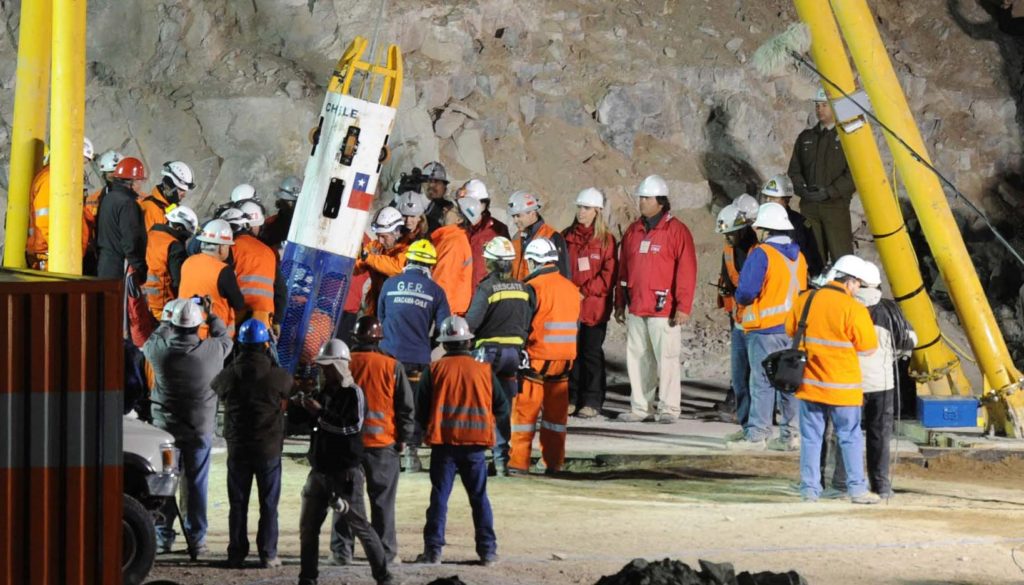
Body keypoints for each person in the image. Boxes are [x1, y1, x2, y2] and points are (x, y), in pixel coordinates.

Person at [295, 339, 395, 585]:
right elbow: (304, 425)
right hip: (319, 471)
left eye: (328, 366)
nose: (324, 371)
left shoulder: (353, 393)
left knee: (360, 526)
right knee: (308, 528)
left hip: (345, 473)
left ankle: (383, 576)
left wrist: (318, 412)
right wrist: (300, 405)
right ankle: (308, 577)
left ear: (340, 366)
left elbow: (350, 426)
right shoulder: (322, 392)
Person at [414, 316, 509, 565]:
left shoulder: (434, 371)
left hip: (443, 446)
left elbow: (421, 409)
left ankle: (433, 551)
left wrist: (425, 429)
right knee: (479, 498)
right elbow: (502, 407)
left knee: (439, 498)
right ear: (468, 342)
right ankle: (487, 551)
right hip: (475, 446)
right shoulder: (484, 371)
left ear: (444, 345)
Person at [786, 254, 879, 504]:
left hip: (809, 385)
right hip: (843, 388)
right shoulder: (854, 309)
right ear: (849, 282)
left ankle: (809, 490)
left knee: (811, 438)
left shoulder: (805, 300)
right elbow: (869, 347)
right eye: (858, 284)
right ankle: (857, 490)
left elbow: (790, 330)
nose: (858, 289)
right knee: (849, 437)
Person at [143, 300, 233, 554]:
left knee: (164, 483)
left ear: (174, 326)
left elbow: (152, 338)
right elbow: (225, 336)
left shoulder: (159, 352)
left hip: (166, 430)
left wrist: (166, 321)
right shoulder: (213, 351)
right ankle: (196, 540)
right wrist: (211, 313)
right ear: (197, 326)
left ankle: (162, 536)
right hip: (199, 430)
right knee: (195, 485)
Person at [331, 316, 415, 565]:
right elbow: (405, 407)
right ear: (379, 339)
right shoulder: (392, 366)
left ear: (355, 338)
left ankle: (342, 552)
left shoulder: (343, 365)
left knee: (346, 500)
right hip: (382, 444)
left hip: (348, 445)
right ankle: (385, 553)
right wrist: (404, 438)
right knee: (382, 503)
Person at [614, 175, 697, 423]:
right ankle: (641, 408)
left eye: (646, 198)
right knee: (638, 358)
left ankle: (669, 409)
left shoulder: (677, 231)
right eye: (641, 197)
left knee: (667, 360)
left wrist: (683, 306)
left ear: (660, 201)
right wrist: (620, 302)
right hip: (637, 307)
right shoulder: (633, 231)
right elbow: (623, 270)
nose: (641, 201)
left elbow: (687, 271)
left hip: (664, 310)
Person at [211, 319, 293, 568]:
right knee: (269, 504)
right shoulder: (277, 375)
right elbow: (289, 388)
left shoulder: (229, 375)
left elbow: (216, 387)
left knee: (238, 504)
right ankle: (268, 553)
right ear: (265, 344)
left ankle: (236, 553)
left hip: (238, 447)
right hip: (268, 447)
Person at [727, 202, 808, 451]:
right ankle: (790, 436)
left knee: (761, 382)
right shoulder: (798, 256)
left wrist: (740, 299)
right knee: (788, 382)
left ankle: (757, 435)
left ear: (765, 229)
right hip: (791, 330)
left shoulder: (762, 253)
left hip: (764, 330)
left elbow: (746, 292)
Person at [377, 239, 451, 473]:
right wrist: (425, 345)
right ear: (431, 266)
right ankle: (410, 454)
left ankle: (388, 452)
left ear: (408, 261)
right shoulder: (436, 291)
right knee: (414, 407)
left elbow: (380, 320)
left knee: (388, 404)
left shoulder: (390, 284)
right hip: (418, 359)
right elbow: (444, 329)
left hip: (388, 358)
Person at [510, 238, 580, 475]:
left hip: (537, 360)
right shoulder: (571, 289)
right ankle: (554, 463)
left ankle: (518, 463)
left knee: (524, 415)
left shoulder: (532, 288)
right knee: (556, 419)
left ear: (532, 261)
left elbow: (522, 325)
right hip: (564, 362)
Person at [465, 236, 534, 475]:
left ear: (491, 263)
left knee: (479, 405)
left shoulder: (486, 288)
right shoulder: (524, 289)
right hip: (513, 356)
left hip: (488, 355)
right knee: (503, 407)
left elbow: (471, 324)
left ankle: (474, 458)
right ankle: (502, 460)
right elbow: (528, 323)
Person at [853, 261, 915, 498]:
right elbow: (909, 340)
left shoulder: (846, 306)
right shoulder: (889, 310)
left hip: (850, 383)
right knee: (879, 434)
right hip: (882, 383)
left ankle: (848, 482)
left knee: (848, 434)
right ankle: (881, 485)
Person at [563, 188, 617, 418]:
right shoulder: (567, 237)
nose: (581, 212)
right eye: (579, 207)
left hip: (594, 307)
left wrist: (584, 291)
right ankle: (572, 398)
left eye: (586, 208)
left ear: (597, 211)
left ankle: (592, 400)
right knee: (570, 353)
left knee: (591, 353)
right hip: (569, 306)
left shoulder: (606, 241)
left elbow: (609, 274)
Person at [787, 87, 856, 264]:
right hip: (809, 207)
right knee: (812, 258)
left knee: (842, 260)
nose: (820, 109)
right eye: (817, 105)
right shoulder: (805, 137)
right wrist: (802, 189)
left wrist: (829, 192)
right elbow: (794, 170)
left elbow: (854, 174)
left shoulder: (849, 138)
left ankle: (841, 291)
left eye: (824, 105)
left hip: (835, 207)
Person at [715, 196, 759, 427]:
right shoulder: (730, 247)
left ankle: (759, 419)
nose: (728, 239)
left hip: (760, 318)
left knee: (757, 372)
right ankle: (742, 414)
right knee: (741, 369)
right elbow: (727, 276)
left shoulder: (758, 249)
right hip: (739, 316)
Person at [27, 138, 94, 270]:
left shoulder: (61, 178)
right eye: (82, 161)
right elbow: (44, 220)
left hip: (58, 253)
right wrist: (59, 251)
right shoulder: (52, 178)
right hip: (50, 254)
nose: (82, 167)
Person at [178, 219, 246, 337]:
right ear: (221, 247)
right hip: (211, 336)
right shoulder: (223, 270)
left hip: (185, 330)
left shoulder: (188, 262)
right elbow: (238, 304)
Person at [760, 173, 825, 278]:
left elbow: (811, 256)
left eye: (773, 198)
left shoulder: (798, 223)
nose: (768, 202)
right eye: (767, 198)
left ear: (786, 199)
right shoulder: (761, 221)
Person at [235, 200, 287, 330]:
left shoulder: (231, 247)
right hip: (263, 321)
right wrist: (277, 321)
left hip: (236, 316)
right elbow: (281, 289)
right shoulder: (268, 252)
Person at [96, 156, 149, 280]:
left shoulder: (108, 198)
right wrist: (140, 269)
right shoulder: (128, 204)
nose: (141, 185)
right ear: (132, 181)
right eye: (140, 181)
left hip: (104, 265)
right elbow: (131, 241)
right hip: (119, 269)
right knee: (119, 299)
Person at [143, 205, 198, 320]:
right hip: (163, 306)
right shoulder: (174, 246)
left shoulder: (150, 234)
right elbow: (179, 282)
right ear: (178, 229)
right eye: (185, 236)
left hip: (143, 299)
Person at [354, 207, 410, 316]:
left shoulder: (407, 249)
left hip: (395, 312)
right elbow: (356, 269)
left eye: (384, 237)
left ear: (397, 232)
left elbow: (396, 268)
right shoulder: (376, 247)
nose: (380, 240)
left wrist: (368, 258)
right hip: (374, 307)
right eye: (378, 236)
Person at [455, 179, 511, 289]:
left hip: (486, 298)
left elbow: (506, 269)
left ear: (484, 204)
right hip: (459, 298)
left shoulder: (497, 230)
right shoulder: (456, 229)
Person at [507, 190, 571, 280]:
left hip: (540, 293)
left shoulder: (552, 237)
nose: (515, 221)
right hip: (518, 292)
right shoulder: (517, 237)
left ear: (532, 214)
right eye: (513, 216)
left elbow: (563, 277)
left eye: (518, 216)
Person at [432, 201, 475, 316]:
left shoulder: (453, 243)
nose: (445, 209)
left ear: (459, 220)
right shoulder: (450, 239)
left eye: (451, 209)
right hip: (448, 309)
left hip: (445, 310)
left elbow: (443, 282)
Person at [141, 161, 195, 232]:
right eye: (181, 190)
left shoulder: (170, 207)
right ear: (170, 187)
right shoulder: (150, 210)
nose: (184, 195)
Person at [261, 175, 301, 251]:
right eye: (284, 200)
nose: (282, 203)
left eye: (286, 200)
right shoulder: (277, 221)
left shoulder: (296, 223)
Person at [422, 161, 455, 235]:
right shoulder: (415, 202)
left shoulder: (449, 209)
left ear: (445, 187)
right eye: (429, 181)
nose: (431, 185)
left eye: (436, 181)